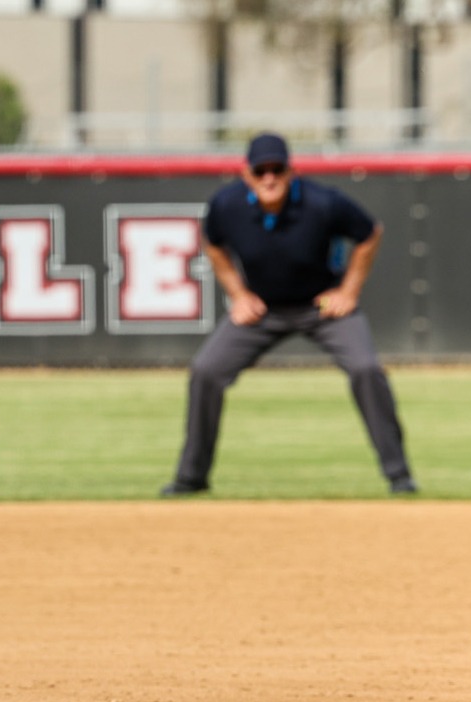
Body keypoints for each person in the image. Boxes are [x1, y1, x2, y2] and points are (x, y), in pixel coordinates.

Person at [160, 132, 418, 497]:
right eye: (260, 170)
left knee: (365, 369)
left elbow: (369, 233)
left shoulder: (322, 203)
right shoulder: (227, 205)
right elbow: (213, 244)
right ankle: (191, 478)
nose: (269, 178)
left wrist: (348, 291)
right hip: (263, 310)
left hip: (321, 308)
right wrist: (238, 294)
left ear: (291, 171)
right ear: (246, 174)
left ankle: (400, 476)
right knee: (206, 372)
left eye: (277, 169)